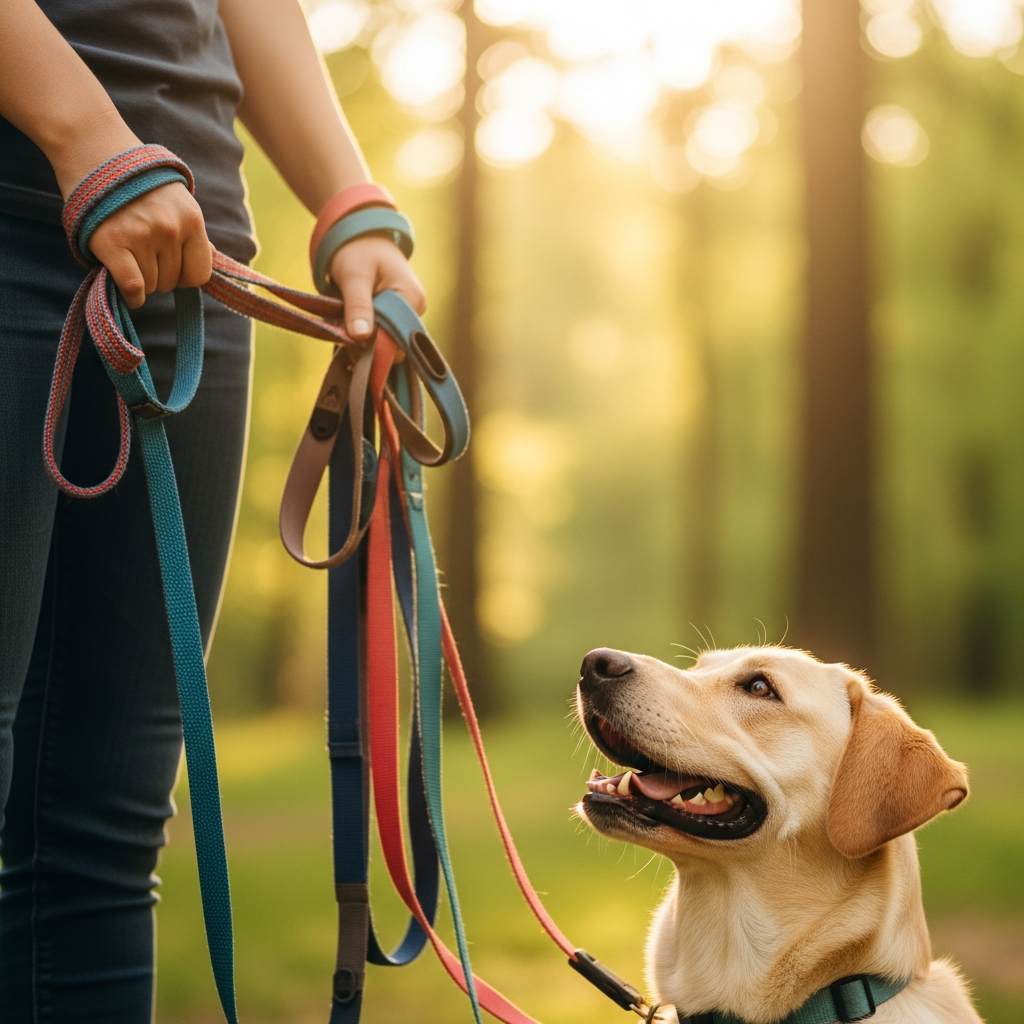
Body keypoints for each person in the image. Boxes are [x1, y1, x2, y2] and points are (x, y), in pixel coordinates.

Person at [0, 0, 427, 1018]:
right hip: (37, 200)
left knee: (109, 824)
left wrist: (348, 200)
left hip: (188, 246)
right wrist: (86, 135)